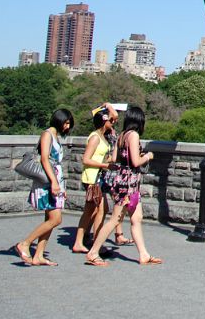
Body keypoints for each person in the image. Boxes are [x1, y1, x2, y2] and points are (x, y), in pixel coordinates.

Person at [84, 105, 162, 266]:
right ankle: (93, 252)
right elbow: (135, 161)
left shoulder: (121, 136)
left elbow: (113, 158)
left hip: (127, 182)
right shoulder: (133, 135)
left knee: (137, 218)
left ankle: (144, 254)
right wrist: (148, 156)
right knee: (115, 219)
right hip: (128, 183)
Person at [13, 108, 73, 266]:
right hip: (48, 181)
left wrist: (61, 185)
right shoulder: (47, 134)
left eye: (69, 124)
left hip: (55, 181)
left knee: (50, 219)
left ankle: (38, 255)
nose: (67, 126)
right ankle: (25, 243)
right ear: (59, 120)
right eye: (66, 123)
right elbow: (45, 159)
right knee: (56, 219)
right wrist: (54, 182)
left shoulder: (56, 136)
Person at [72, 103, 120, 254]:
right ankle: (90, 243)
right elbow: (86, 159)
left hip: (97, 176)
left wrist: (109, 161)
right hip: (92, 177)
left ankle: (86, 241)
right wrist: (105, 166)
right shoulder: (95, 137)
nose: (112, 122)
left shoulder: (101, 136)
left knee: (95, 210)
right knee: (95, 210)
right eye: (109, 120)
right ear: (103, 121)